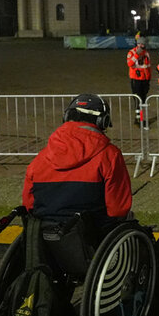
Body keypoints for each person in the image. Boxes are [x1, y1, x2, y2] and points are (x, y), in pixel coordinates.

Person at [22, 93, 132, 230]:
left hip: (45, 234)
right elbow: (118, 208)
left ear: (66, 117)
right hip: (92, 234)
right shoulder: (110, 155)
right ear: (102, 121)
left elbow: (29, 204)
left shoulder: (39, 159)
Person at [126, 34, 151, 128]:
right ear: (138, 44)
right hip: (136, 79)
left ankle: (140, 117)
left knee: (143, 100)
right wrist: (137, 54)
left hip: (145, 79)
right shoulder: (131, 52)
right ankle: (138, 119)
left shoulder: (146, 53)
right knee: (138, 100)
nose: (142, 45)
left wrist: (148, 79)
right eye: (141, 44)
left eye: (144, 44)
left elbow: (148, 67)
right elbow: (130, 63)